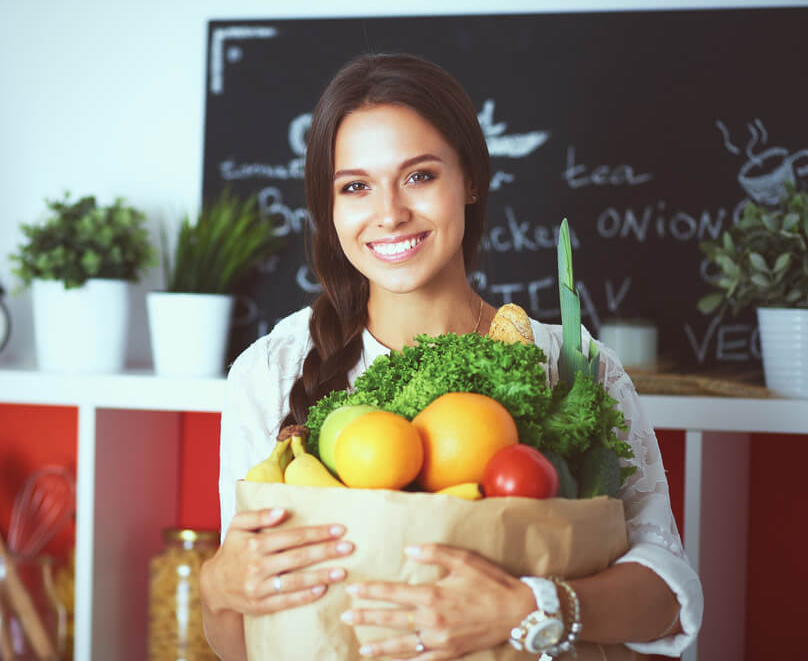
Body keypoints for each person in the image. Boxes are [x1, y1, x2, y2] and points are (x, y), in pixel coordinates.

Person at [200, 52, 703, 660]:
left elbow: (667, 595)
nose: (389, 213)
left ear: (470, 180)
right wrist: (217, 587)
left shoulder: (570, 363)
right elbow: (242, 644)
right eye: (355, 186)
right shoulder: (271, 371)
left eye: (419, 176)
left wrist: (529, 608)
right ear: (329, 210)